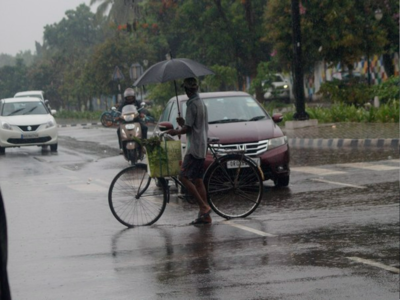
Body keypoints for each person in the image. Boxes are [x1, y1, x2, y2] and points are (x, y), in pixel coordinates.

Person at [167, 77, 212, 225]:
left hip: (194, 148)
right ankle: (205, 216)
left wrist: (176, 131)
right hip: (201, 145)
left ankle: (203, 207)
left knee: (183, 177)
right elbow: (192, 124)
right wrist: (183, 123)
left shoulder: (192, 104)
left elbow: (189, 128)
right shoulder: (201, 103)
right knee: (198, 180)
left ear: (188, 90)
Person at [116, 88, 148, 154]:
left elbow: (141, 109)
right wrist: (117, 116)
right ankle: (121, 147)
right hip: (125, 120)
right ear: (125, 98)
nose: (129, 99)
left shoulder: (137, 102)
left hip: (136, 119)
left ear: (133, 97)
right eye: (128, 97)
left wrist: (142, 113)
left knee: (144, 128)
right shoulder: (123, 103)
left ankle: (144, 145)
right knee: (119, 130)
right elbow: (119, 111)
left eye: (131, 97)